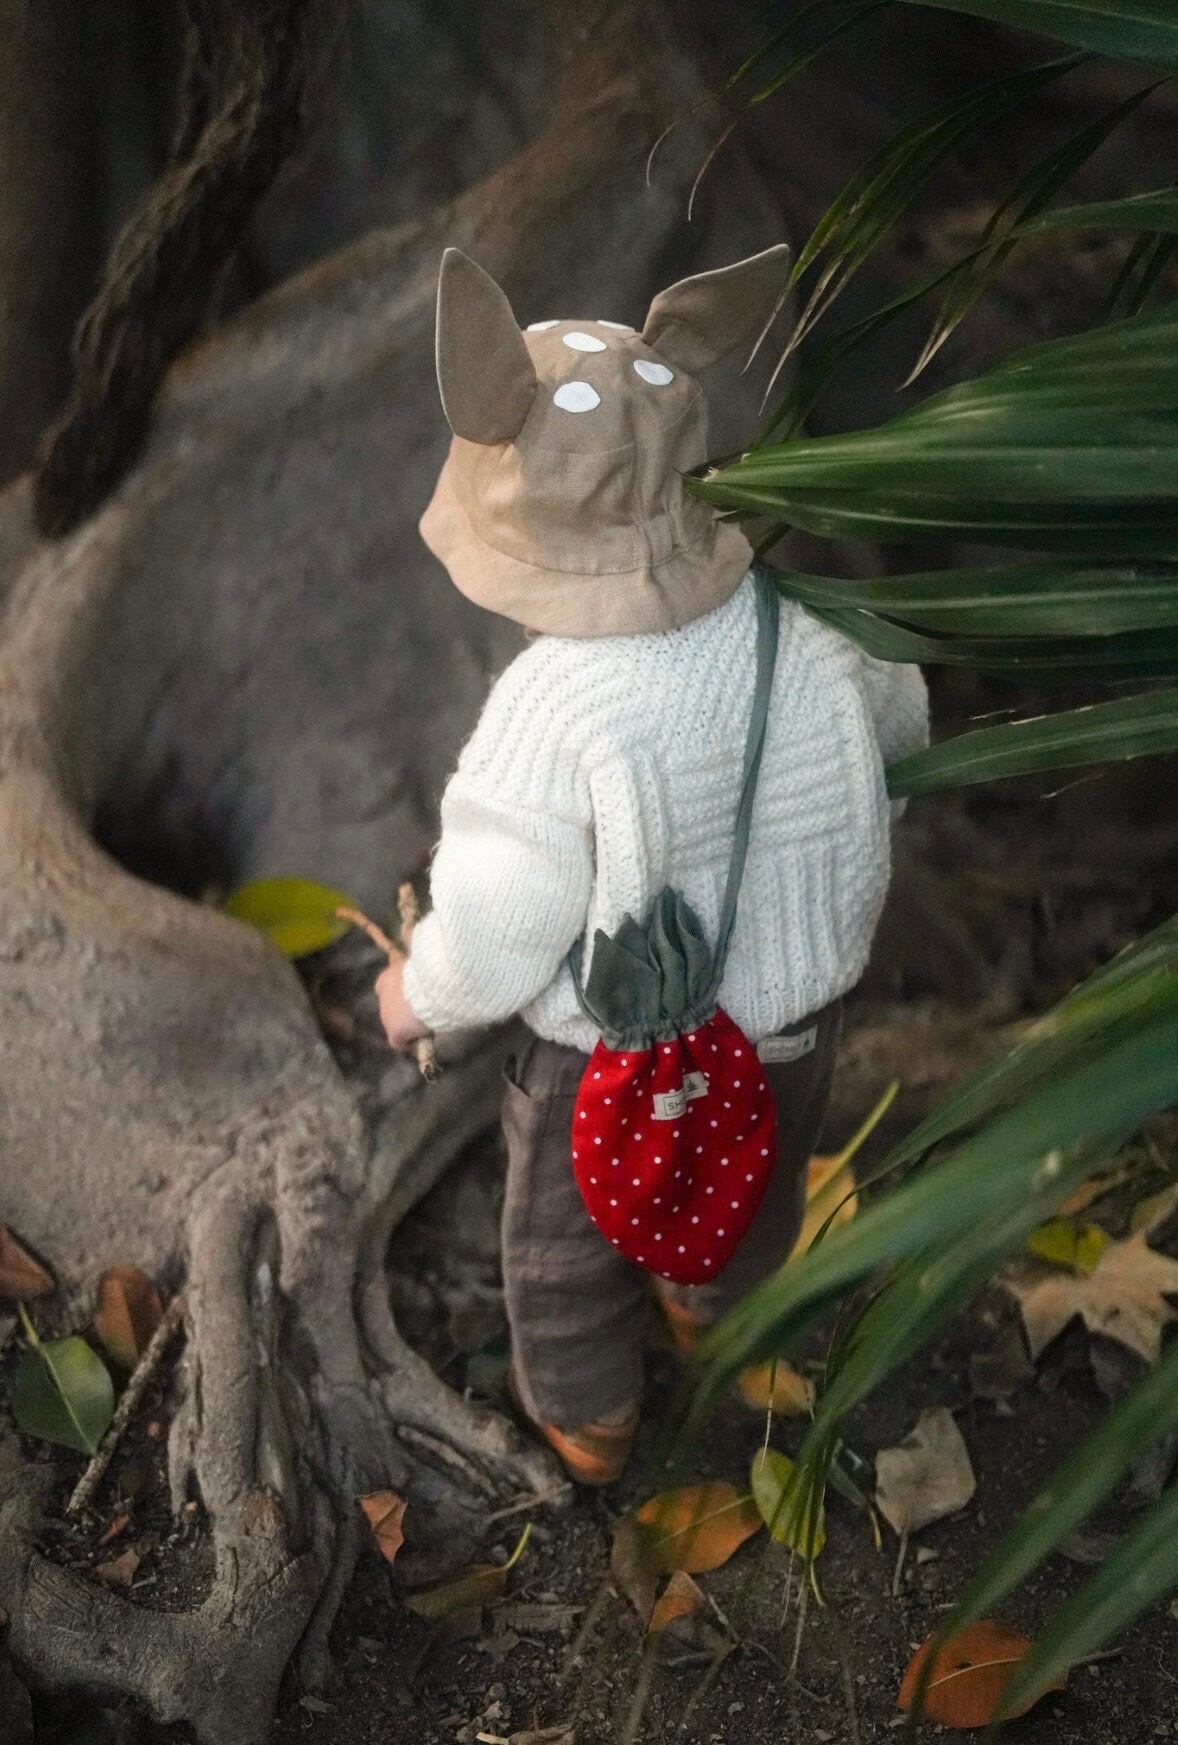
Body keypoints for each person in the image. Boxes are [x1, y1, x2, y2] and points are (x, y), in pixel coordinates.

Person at [376, 246, 927, 1484]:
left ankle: (592, 1418)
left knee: (564, 1245)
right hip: (788, 1022)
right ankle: (716, 1312)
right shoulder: (809, 631)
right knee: (754, 1176)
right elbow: (897, 736)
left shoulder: (551, 705)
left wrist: (419, 991)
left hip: (604, 1056)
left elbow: (502, 920)